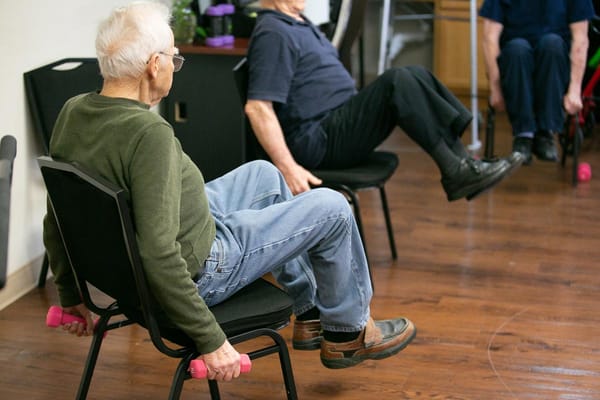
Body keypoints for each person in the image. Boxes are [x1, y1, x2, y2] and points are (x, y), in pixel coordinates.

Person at [42, 1, 416, 379]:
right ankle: (348, 331)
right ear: (154, 66)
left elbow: (57, 215)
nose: (175, 65)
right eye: (175, 57)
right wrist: (212, 340)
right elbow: (159, 253)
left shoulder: (74, 111)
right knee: (333, 207)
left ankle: (309, 312)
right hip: (205, 267)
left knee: (264, 175)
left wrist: (71, 295)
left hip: (155, 247)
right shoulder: (148, 135)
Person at [244, 0, 524, 200]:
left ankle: (462, 165)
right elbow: (258, 108)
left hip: (337, 123)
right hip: (319, 141)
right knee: (397, 81)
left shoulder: (297, 21)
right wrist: (288, 168)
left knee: (413, 74)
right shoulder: (273, 32)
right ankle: (457, 170)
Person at [480, 0, 595, 165]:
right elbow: (490, 38)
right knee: (517, 48)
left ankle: (546, 131)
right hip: (514, 66)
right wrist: (495, 88)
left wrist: (575, 90)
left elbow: (581, 39)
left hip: (554, 65)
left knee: (551, 44)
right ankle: (524, 135)